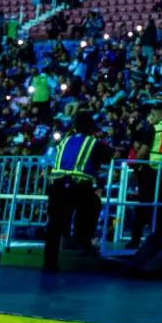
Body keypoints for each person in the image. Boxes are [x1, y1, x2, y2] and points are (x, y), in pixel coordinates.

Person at [43, 110, 114, 272]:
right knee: (93, 206)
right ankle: (81, 241)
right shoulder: (92, 143)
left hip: (57, 185)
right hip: (78, 186)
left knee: (54, 224)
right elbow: (110, 155)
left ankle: (49, 262)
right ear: (91, 127)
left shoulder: (64, 141)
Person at [127, 104, 162, 249]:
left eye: (154, 114)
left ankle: (135, 240)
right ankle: (158, 239)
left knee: (144, 205)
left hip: (151, 171)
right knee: (161, 206)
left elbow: (143, 151)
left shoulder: (154, 129)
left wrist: (134, 167)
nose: (151, 117)